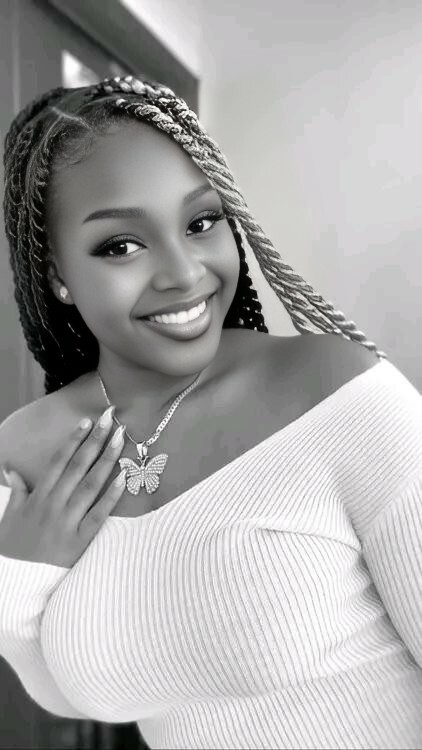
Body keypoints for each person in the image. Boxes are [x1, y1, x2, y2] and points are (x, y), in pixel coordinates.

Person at [0, 75, 421, 750]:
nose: (184, 273)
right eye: (121, 245)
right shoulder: (26, 449)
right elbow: (64, 693)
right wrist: (18, 569)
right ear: (56, 273)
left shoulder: (341, 395)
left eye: (201, 223)